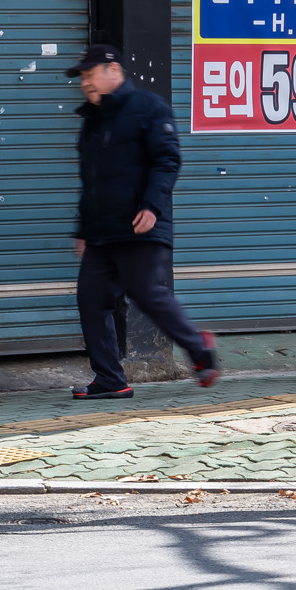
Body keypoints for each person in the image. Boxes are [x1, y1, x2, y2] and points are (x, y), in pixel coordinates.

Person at [67, 44, 219, 399]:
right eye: (82, 78)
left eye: (90, 75)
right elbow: (91, 183)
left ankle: (200, 348)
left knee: (146, 293)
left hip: (141, 225)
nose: (85, 83)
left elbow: (166, 160)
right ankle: (110, 379)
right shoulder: (91, 122)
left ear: (114, 71)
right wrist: (82, 230)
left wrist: (152, 206)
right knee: (91, 300)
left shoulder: (148, 108)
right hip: (102, 233)